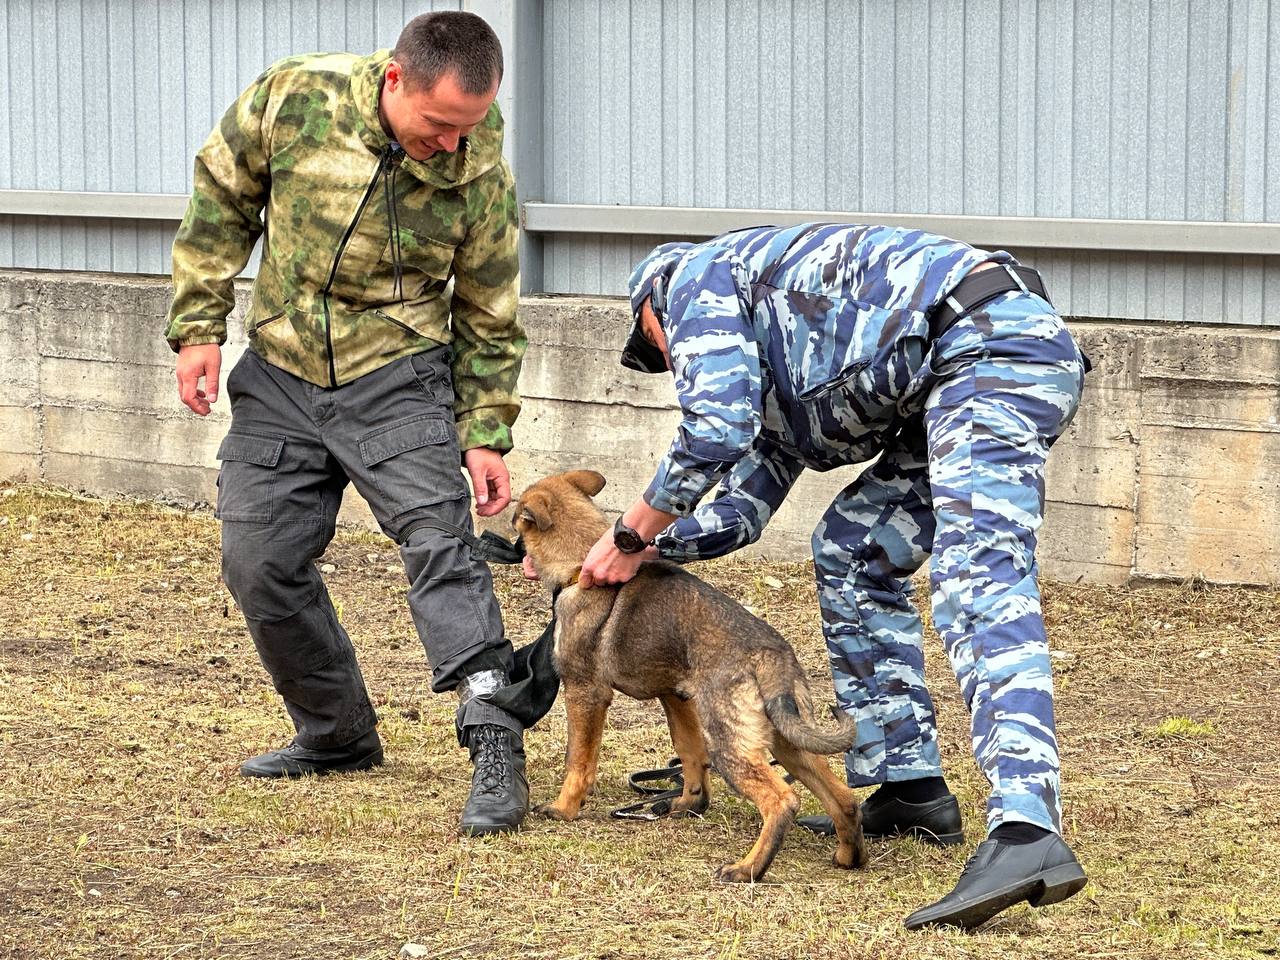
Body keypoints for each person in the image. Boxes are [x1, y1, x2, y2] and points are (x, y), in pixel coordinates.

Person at [579, 223, 1089, 928]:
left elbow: (711, 430)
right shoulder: (777, 369)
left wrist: (632, 528)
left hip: (988, 348)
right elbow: (741, 514)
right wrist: (644, 552)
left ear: (651, 313)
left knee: (979, 579)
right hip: (954, 368)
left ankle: (1028, 831)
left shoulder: (693, 279)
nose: (673, 366)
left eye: (659, 353)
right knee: (853, 550)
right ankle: (911, 788)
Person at [165, 11, 529, 835]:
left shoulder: (477, 166)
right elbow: (224, 195)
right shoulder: (297, 97)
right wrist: (197, 328)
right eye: (438, 126)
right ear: (394, 79)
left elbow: (488, 307)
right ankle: (335, 733)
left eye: (468, 127)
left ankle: (497, 743)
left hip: (395, 375)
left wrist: (484, 427)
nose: (452, 144)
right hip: (281, 371)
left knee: (442, 543)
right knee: (258, 558)